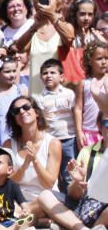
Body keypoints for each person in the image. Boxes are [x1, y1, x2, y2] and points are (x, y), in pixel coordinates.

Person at [12, 0, 74, 96]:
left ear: (58, 4)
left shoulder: (65, 26)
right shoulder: (33, 27)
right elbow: (19, 47)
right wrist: (34, 27)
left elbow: (69, 39)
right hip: (37, 92)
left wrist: (53, 17)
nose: (46, 3)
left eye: (50, 0)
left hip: (59, 94)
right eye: (42, 0)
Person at [33, 59, 81, 190]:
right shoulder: (39, 98)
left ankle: (72, 201)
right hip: (51, 141)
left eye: (52, 72)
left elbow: (76, 113)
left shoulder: (69, 94)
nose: (48, 75)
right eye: (45, 73)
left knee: (69, 173)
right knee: (53, 173)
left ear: (61, 77)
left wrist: (78, 134)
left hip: (69, 139)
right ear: (41, 78)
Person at [0, 56, 29, 147]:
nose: (12, 75)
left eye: (14, 71)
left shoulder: (21, 91)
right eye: (7, 72)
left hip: (17, 137)